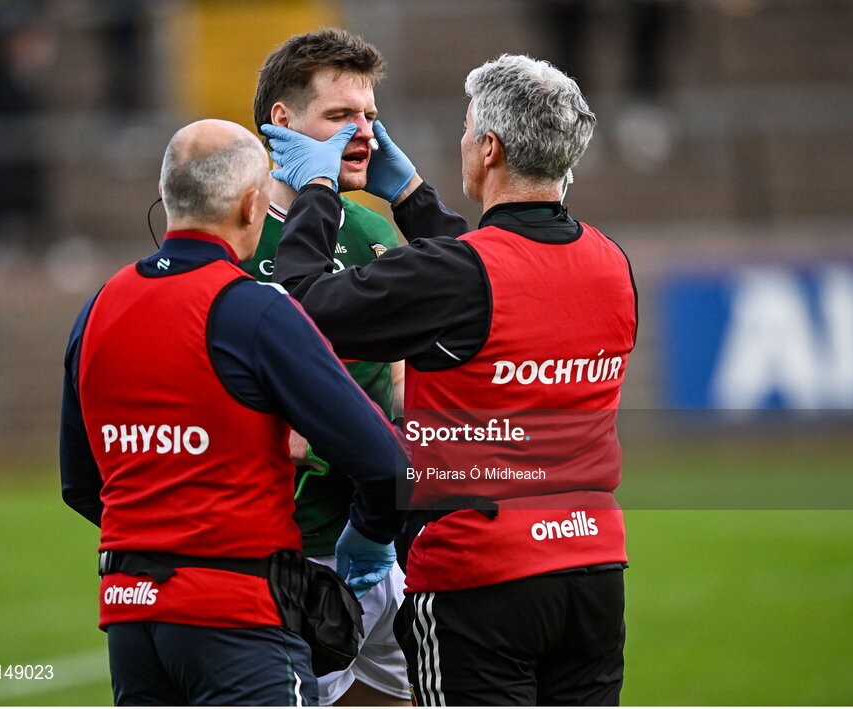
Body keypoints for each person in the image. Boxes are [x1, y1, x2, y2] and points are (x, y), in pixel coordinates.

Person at [263, 54, 638, 705]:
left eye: (468, 129)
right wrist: (410, 197)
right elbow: (499, 276)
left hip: (481, 577)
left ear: (488, 147)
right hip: (594, 569)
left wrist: (319, 192)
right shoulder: (611, 262)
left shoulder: (457, 276)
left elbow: (302, 308)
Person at [59, 118, 405, 706]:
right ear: (253, 206)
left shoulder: (97, 309)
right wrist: (366, 543)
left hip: (131, 618)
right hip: (240, 616)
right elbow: (385, 463)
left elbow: (81, 485)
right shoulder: (253, 309)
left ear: (169, 198)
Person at [241, 28, 410, 706]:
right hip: (285, 553)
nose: (363, 133)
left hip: (377, 540)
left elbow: (402, 378)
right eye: (341, 117)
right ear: (283, 123)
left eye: (369, 116)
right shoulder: (236, 235)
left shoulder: (376, 233)